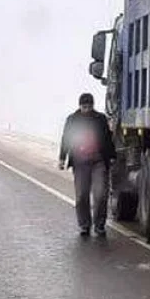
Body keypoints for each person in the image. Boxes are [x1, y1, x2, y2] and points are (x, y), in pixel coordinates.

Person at [59, 92, 116, 237]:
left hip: (98, 162)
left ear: (93, 105)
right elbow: (66, 139)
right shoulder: (72, 120)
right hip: (80, 163)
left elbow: (108, 139)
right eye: (84, 106)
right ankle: (84, 225)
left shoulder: (100, 119)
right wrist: (62, 158)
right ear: (80, 106)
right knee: (81, 196)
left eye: (89, 106)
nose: (87, 109)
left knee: (100, 194)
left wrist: (112, 157)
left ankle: (99, 226)